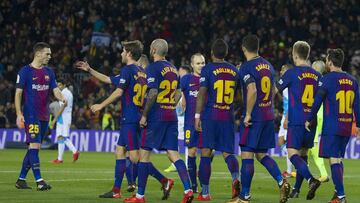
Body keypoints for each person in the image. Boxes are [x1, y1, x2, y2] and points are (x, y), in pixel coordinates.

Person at [76, 41, 173, 199]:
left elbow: (118, 92)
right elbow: (108, 79)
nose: (121, 54)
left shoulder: (128, 70)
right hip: (136, 116)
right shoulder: (141, 72)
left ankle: (164, 180)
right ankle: (116, 190)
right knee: (120, 151)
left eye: (123, 51)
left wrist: (101, 104)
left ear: (129, 54)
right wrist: (89, 70)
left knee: (136, 158)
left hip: (130, 118)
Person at [124, 39, 193, 203]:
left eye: (150, 48)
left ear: (154, 50)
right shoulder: (173, 68)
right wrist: (170, 106)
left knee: (144, 154)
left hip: (157, 116)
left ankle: (140, 196)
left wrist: (145, 115)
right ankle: (188, 190)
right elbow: (177, 93)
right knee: (174, 154)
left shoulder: (153, 68)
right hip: (171, 115)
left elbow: (153, 92)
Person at [230, 35, 290, 203]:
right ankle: (281, 180)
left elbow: (252, 90)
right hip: (268, 115)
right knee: (262, 155)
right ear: (257, 48)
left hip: (255, 116)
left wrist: (248, 113)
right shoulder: (269, 66)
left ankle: (245, 196)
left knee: (247, 155)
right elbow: (274, 91)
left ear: (243, 48)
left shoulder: (246, 67)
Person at [305, 49, 360, 203]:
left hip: (332, 126)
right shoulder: (353, 80)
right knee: (338, 159)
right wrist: (359, 126)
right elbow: (357, 106)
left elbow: (317, 102)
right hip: (347, 127)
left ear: (329, 62)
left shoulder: (327, 79)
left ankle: (341, 196)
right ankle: (337, 194)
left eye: (327, 59)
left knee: (334, 160)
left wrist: (309, 119)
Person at [15, 42, 66, 190]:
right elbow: (18, 94)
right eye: (47, 54)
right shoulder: (25, 72)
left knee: (33, 148)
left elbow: (55, 90)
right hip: (31, 114)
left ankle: (21, 179)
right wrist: (19, 114)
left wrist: (61, 97)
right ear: (38, 54)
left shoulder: (49, 72)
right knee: (35, 146)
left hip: (45, 116)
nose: (50, 56)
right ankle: (39, 181)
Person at [195, 39, 240, 200]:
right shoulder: (235, 71)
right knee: (228, 153)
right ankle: (236, 179)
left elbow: (201, 93)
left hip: (211, 116)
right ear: (226, 53)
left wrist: (197, 116)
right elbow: (239, 96)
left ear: (212, 53)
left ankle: (205, 193)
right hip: (228, 116)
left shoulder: (207, 69)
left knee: (206, 153)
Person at [276, 41, 322, 200]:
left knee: (292, 154)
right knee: (303, 156)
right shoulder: (317, 75)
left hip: (297, 119)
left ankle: (311, 179)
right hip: (312, 121)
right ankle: (296, 189)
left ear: (294, 55)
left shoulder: (291, 73)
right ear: (307, 55)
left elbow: (276, 89)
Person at [179, 54, 206, 194]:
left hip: (206, 121)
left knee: (207, 153)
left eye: (203, 63)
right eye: (198, 63)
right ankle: (194, 185)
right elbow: (180, 92)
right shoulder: (186, 79)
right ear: (192, 64)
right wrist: (182, 98)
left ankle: (204, 181)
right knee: (192, 152)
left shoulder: (208, 79)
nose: (201, 65)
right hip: (190, 121)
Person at [164, 65, 192, 173]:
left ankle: (183, 163)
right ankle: (177, 163)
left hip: (184, 118)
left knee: (186, 142)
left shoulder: (188, 86)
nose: (178, 75)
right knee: (175, 141)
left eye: (181, 72)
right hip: (177, 117)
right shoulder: (178, 86)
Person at [309, 60, 329, 182]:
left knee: (313, 145)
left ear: (316, 68)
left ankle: (324, 174)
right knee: (312, 145)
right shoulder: (325, 80)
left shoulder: (315, 80)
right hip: (322, 112)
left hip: (317, 112)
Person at [51, 80, 79, 164]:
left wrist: (55, 119)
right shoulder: (63, 92)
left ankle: (75, 151)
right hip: (62, 117)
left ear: (64, 85)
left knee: (64, 137)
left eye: (60, 85)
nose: (58, 87)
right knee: (60, 137)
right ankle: (59, 159)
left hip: (65, 117)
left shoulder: (65, 93)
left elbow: (64, 105)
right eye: (57, 85)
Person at [277, 64, 296, 178]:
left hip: (289, 116)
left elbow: (291, 104)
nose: (280, 72)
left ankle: (289, 171)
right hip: (285, 115)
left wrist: (287, 119)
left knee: (288, 144)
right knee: (280, 141)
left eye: (283, 70)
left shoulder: (290, 85)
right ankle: (294, 159)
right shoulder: (284, 85)